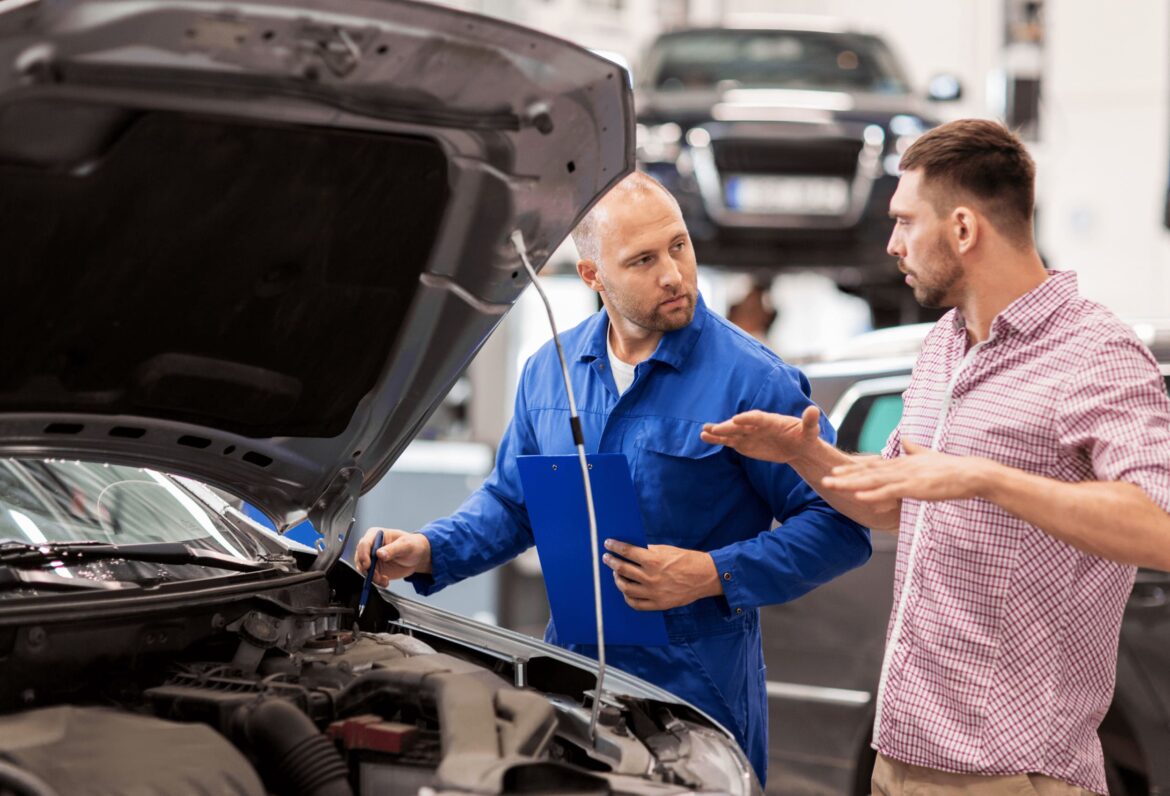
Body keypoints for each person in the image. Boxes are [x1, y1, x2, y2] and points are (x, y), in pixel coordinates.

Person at [702, 119, 1170, 795]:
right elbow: (892, 502)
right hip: (900, 760)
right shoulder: (945, 346)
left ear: (962, 230)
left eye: (903, 221)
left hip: (1012, 776)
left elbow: (1158, 522)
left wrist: (983, 478)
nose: (891, 244)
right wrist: (806, 455)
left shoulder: (1094, 354)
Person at [355, 171, 872, 784]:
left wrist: (712, 574)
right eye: (644, 260)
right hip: (572, 682)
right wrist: (430, 550)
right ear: (593, 276)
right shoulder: (551, 370)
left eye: (679, 245)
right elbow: (515, 504)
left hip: (699, 698)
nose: (674, 274)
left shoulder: (752, 381)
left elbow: (842, 525)